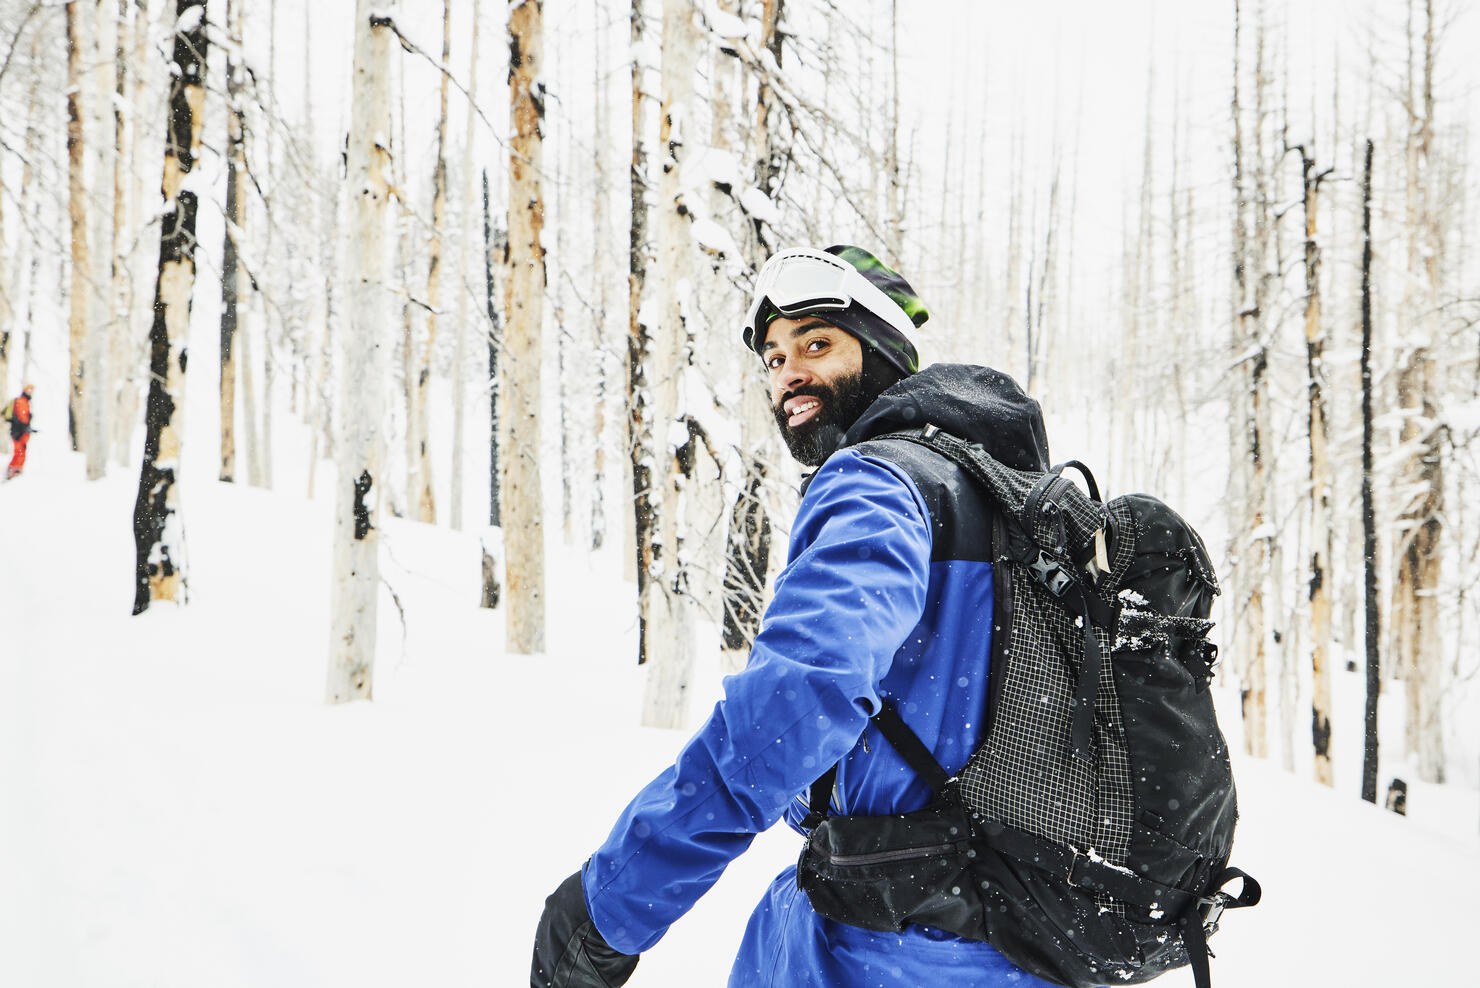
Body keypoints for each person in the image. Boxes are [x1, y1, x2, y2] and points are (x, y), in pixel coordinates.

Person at [532, 246, 1060, 987]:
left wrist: (608, 909)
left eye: (817, 345)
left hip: (892, 951)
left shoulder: (876, 479)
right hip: (1029, 944)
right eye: (775, 358)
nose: (789, 375)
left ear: (883, 359)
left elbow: (799, 702)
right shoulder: (1000, 497)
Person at [5, 383, 34, 480]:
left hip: (20, 432)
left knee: (20, 452)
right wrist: (25, 427)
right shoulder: (21, 402)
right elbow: (22, 419)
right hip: (18, 432)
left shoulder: (24, 401)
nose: (31, 393)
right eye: (29, 391)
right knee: (19, 452)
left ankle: (15, 472)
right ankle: (14, 472)